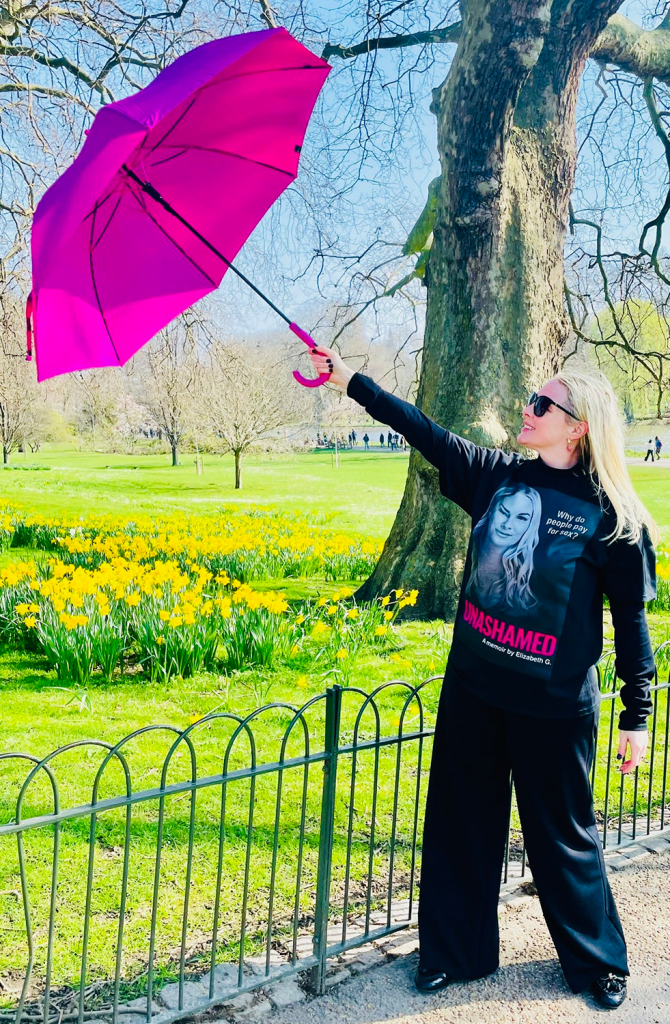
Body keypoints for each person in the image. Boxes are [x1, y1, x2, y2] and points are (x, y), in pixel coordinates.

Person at [310, 345, 657, 1012]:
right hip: (473, 688)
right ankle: (455, 953)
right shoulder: (498, 479)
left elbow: (632, 625)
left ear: (577, 425)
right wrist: (351, 382)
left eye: (541, 404)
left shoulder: (613, 519)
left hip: (553, 707)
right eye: (531, 399)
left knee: (563, 838)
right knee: (460, 825)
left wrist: (637, 717)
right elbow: (426, 433)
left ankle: (597, 962)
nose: (527, 410)